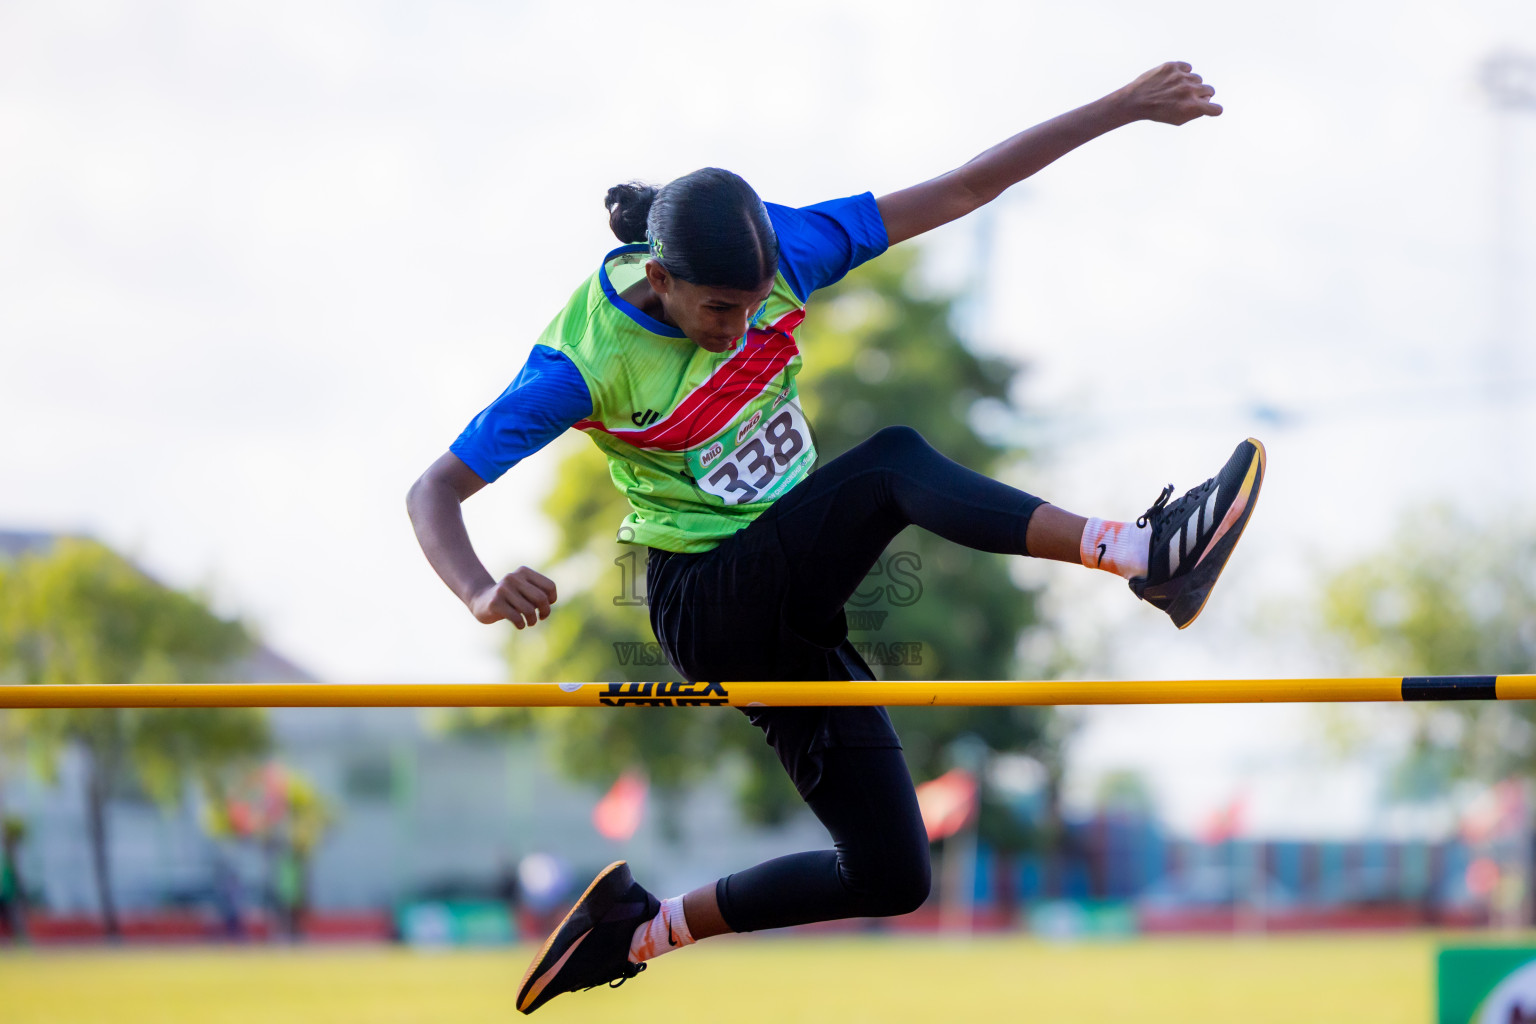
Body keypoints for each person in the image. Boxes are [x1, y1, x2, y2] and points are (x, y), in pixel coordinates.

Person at [407, 61, 1264, 1015]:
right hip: (708, 597)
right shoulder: (581, 364)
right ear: (661, 280)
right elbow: (434, 491)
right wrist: (481, 590)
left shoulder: (792, 248)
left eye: (753, 305)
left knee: (892, 875)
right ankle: (1145, 554)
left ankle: (636, 933)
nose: (739, 330)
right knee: (892, 464)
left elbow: (965, 186)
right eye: (717, 312)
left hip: (788, 596)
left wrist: (1120, 107)